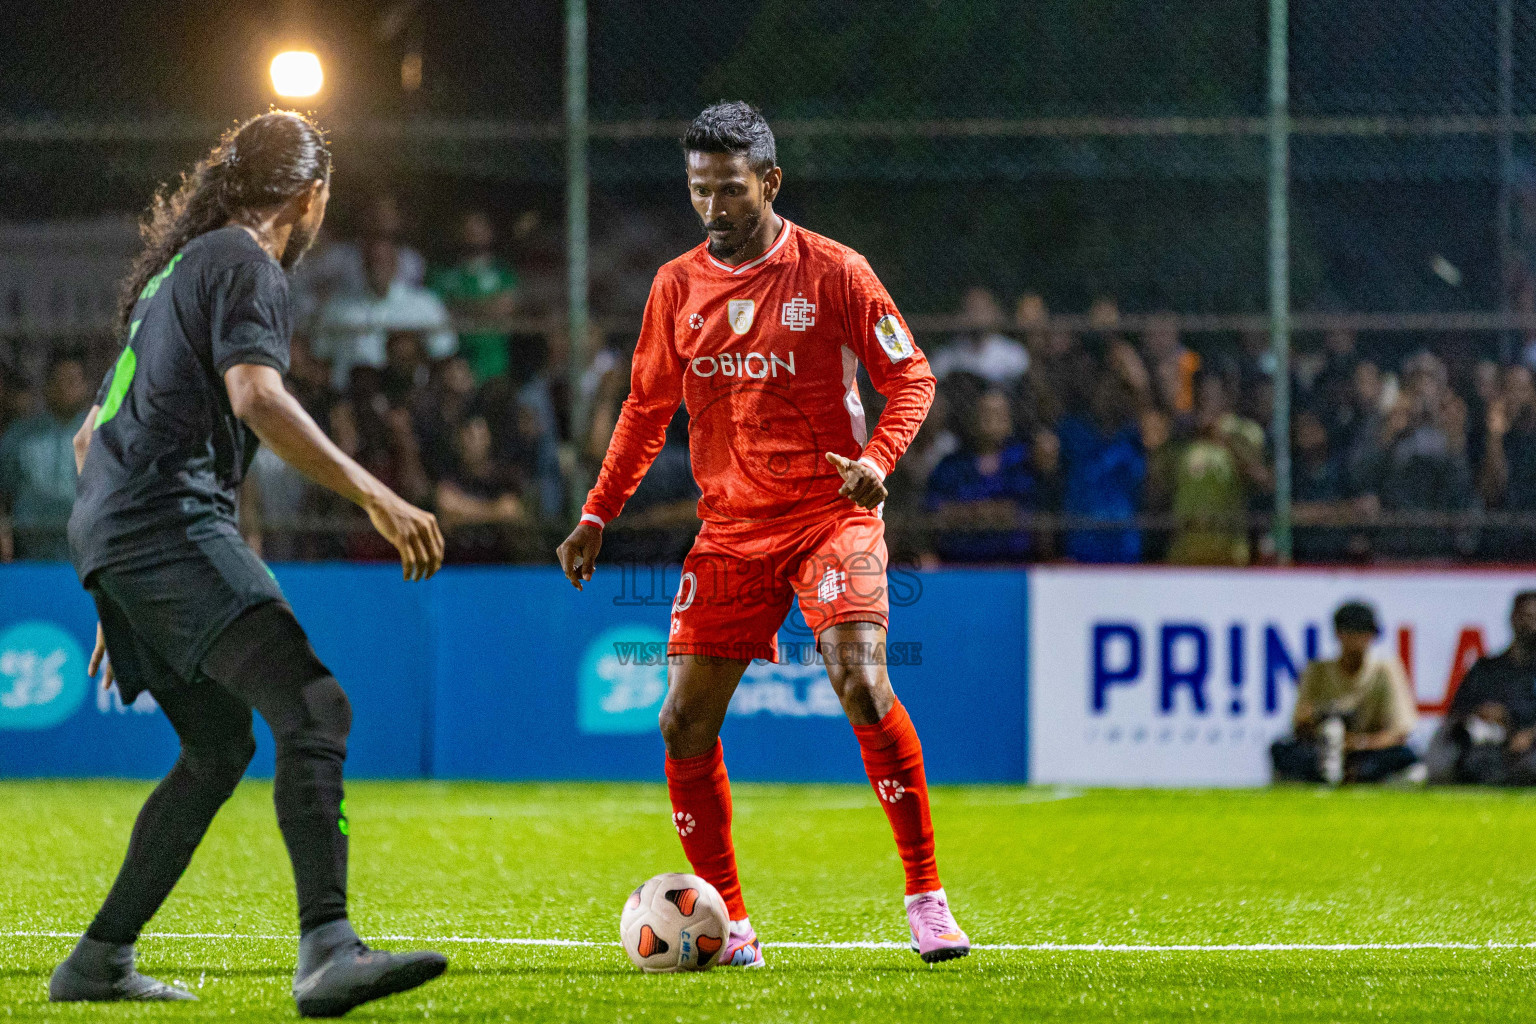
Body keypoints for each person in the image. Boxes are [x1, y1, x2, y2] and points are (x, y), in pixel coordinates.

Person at [51, 112, 448, 1015]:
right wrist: (376, 495)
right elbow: (259, 396)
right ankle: (328, 947)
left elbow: (87, 443)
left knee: (220, 744)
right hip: (161, 526)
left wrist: (118, 590)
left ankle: (98, 960)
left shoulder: (178, 271)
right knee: (317, 705)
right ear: (311, 198)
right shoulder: (247, 264)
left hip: (119, 534)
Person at [555, 102, 968, 966]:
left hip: (831, 514)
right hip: (732, 531)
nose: (713, 207)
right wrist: (598, 513)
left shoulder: (835, 271)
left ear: (770, 182)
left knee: (860, 681)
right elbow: (644, 411)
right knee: (680, 724)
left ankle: (926, 897)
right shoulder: (676, 286)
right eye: (699, 190)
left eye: (730, 190)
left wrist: (879, 461)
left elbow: (913, 377)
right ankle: (730, 924)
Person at [1271, 602, 1420, 785]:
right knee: (1282, 751)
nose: (1356, 640)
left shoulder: (1385, 670)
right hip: (1323, 751)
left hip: (1367, 752)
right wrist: (1321, 721)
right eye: (1351, 632)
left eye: (1362, 633)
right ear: (1338, 634)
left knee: (1408, 760)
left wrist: (1357, 743)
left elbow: (1400, 731)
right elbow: (1299, 723)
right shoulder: (1318, 671)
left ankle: (1356, 778)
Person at [313, 237, 456, 390]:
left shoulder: (424, 304)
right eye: (373, 261)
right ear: (363, 265)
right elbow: (321, 353)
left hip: (409, 393)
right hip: (350, 393)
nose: (378, 268)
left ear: (396, 264)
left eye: (384, 261)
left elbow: (443, 350)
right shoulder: (338, 307)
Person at [1424, 591, 1536, 785]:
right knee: (1462, 755)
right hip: (1490, 746)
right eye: (1526, 617)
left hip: (1529, 747)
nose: (1530, 625)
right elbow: (1458, 710)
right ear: (1513, 618)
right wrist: (1482, 715)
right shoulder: (1486, 668)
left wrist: (1530, 734)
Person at [0, 351, 92, 560]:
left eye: (72, 381)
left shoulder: (101, 436)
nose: (65, 389)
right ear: (47, 387)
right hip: (30, 547)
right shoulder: (20, 435)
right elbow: (4, 491)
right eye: (58, 381)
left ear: (86, 386)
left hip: (84, 549)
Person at [429, 210, 521, 383]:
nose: (474, 235)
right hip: (453, 363)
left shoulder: (503, 273)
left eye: (479, 228)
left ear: (490, 232)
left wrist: (458, 305)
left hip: (494, 365)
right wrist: (485, 307)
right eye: (468, 229)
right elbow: (437, 309)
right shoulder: (442, 274)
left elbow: (504, 308)